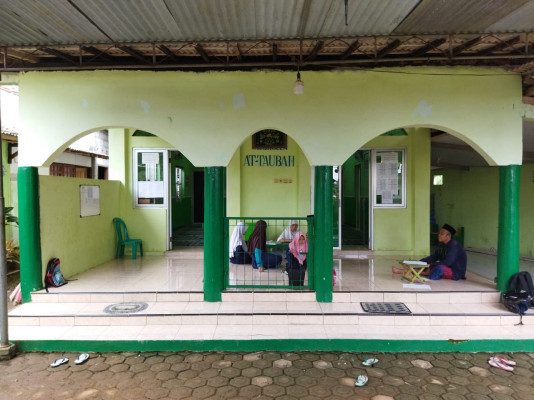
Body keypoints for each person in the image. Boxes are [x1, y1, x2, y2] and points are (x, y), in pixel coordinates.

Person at [393, 224, 467, 280]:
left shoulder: (454, 246)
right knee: (427, 264)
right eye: (439, 233)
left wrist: (432, 266)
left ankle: (417, 272)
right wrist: (419, 263)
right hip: (446, 266)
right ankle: (407, 271)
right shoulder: (442, 245)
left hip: (455, 272)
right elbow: (433, 257)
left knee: (438, 268)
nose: (439, 235)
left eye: (442, 234)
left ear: (448, 236)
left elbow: (448, 262)